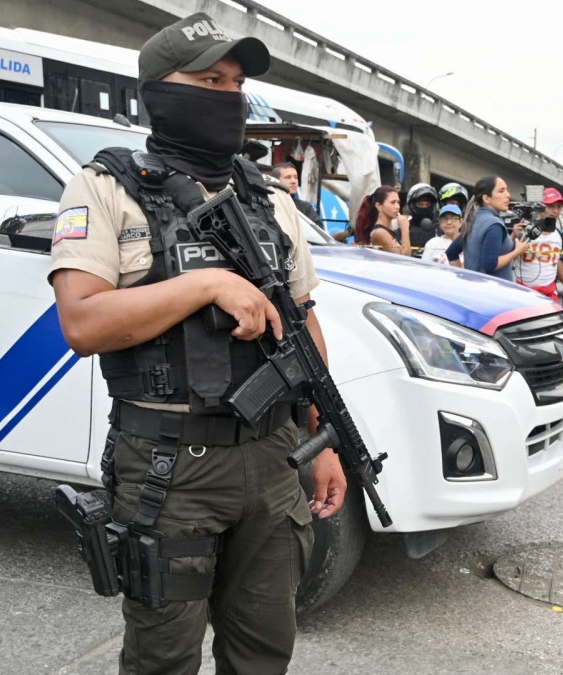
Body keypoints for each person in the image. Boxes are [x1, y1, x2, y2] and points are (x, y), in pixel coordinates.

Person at [47, 13, 346, 672]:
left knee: (265, 650)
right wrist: (205, 285)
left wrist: (322, 437)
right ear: (160, 90)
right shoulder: (104, 188)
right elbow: (82, 323)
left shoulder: (269, 199)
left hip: (274, 461)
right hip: (169, 464)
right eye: (210, 79)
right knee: (163, 656)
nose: (227, 95)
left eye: (235, 82)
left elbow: (303, 319)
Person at [449, 176, 529, 279]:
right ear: (487, 198)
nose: (508, 195)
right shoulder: (494, 224)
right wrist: (516, 252)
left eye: (507, 190)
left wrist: (465, 278)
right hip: (495, 290)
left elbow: (451, 253)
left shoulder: (473, 219)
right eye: (501, 191)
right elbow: (490, 265)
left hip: (473, 289)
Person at [354, 185, 412, 255]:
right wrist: (405, 229)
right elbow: (404, 258)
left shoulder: (387, 229)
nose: (397, 207)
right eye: (392, 202)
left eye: (398, 202)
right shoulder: (380, 233)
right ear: (379, 206)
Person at [271, 161, 324, 228]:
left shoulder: (305, 207)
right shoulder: (268, 205)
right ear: (276, 181)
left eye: (295, 177)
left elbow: (318, 231)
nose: (293, 181)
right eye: (288, 177)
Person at [406, 183, 440, 256]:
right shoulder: (404, 227)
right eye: (420, 204)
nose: (424, 207)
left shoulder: (439, 228)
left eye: (427, 205)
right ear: (412, 205)